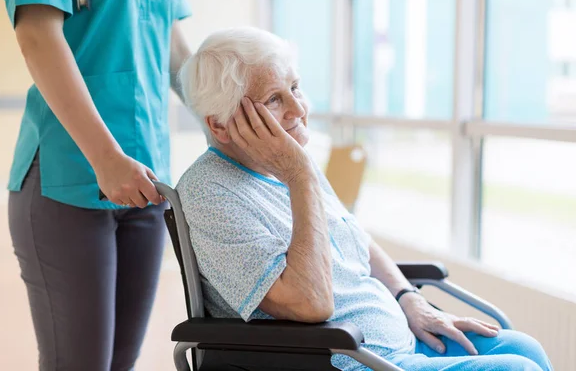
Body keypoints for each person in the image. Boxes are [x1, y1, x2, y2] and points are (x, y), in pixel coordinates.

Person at [176, 27, 554, 371]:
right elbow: (310, 303)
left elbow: (355, 240)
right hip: (348, 361)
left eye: (295, 87)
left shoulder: (287, 164)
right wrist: (299, 175)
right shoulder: (211, 190)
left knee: (526, 350)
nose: (299, 109)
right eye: (274, 99)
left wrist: (409, 299)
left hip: (402, 344)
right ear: (220, 124)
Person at [0, 0, 192, 369]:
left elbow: (176, 51)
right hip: (66, 179)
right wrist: (106, 159)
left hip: (147, 182)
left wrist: (227, 125)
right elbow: (36, 35)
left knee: (120, 363)